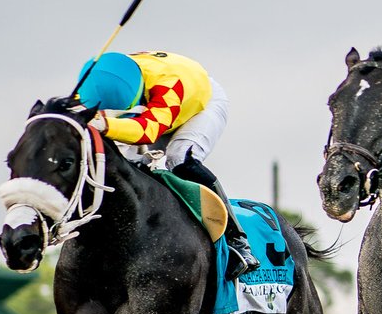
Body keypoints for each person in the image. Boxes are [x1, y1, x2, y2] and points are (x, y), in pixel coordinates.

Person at [75, 51, 259, 279]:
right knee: (126, 166)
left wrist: (105, 125)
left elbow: (148, 131)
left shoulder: (169, 84)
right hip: (150, 106)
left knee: (179, 159)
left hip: (199, 104)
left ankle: (237, 240)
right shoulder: (91, 84)